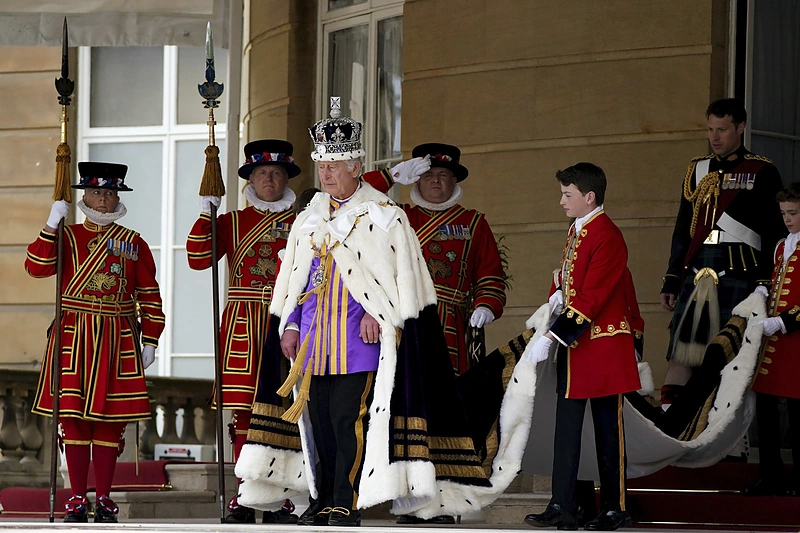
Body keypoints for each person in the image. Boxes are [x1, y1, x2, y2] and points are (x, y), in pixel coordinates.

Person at [25, 162, 164, 523]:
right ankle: (75, 499)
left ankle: (103, 498)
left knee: (109, 422)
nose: (103, 199)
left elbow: (149, 294)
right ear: (84, 196)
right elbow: (35, 268)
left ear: (118, 197)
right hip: (74, 333)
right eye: (96, 192)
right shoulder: (67, 236)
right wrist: (51, 222)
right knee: (73, 421)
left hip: (118, 337)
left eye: (109, 193)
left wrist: (150, 338)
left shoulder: (133, 242)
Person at [186, 139, 300, 524]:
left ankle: (279, 495)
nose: (270, 179)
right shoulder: (232, 221)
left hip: (289, 320)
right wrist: (206, 215)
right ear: (251, 178)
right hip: (242, 324)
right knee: (245, 414)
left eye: (277, 172)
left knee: (287, 411)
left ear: (287, 177)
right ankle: (244, 494)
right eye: (262, 172)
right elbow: (198, 258)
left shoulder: (303, 221)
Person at [523, 163, 641, 531]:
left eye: (567, 194)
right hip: (578, 346)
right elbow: (572, 285)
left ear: (589, 197)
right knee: (567, 428)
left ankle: (614, 507)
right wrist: (555, 295)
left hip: (603, 346)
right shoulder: (579, 230)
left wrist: (553, 335)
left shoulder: (607, 234)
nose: (561, 201)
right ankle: (564, 503)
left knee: (608, 430)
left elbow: (593, 295)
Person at [659, 99, 784, 407]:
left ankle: (728, 438)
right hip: (698, 269)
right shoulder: (696, 169)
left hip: (740, 271)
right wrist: (672, 278)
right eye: (711, 129)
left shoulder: (762, 171)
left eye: (723, 130)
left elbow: (773, 232)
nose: (715, 137)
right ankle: (670, 430)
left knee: (732, 356)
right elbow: (683, 228)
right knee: (682, 354)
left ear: (740, 128)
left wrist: (765, 281)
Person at [363, 143, 507, 376]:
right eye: (428, 175)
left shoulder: (473, 222)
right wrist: (392, 175)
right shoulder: (400, 215)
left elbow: (490, 276)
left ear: (454, 181)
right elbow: (355, 197)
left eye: (443, 175)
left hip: (451, 322)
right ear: (417, 180)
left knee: (447, 392)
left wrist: (486, 305)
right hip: (404, 315)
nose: (435, 181)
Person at [745, 182, 800, 496]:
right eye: (783, 213)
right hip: (774, 344)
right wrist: (763, 290)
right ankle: (770, 476)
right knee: (765, 410)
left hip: (795, 340)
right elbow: (777, 278)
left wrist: (783, 320)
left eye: (793, 213)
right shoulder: (782, 245)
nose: (787, 219)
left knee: (797, 415)